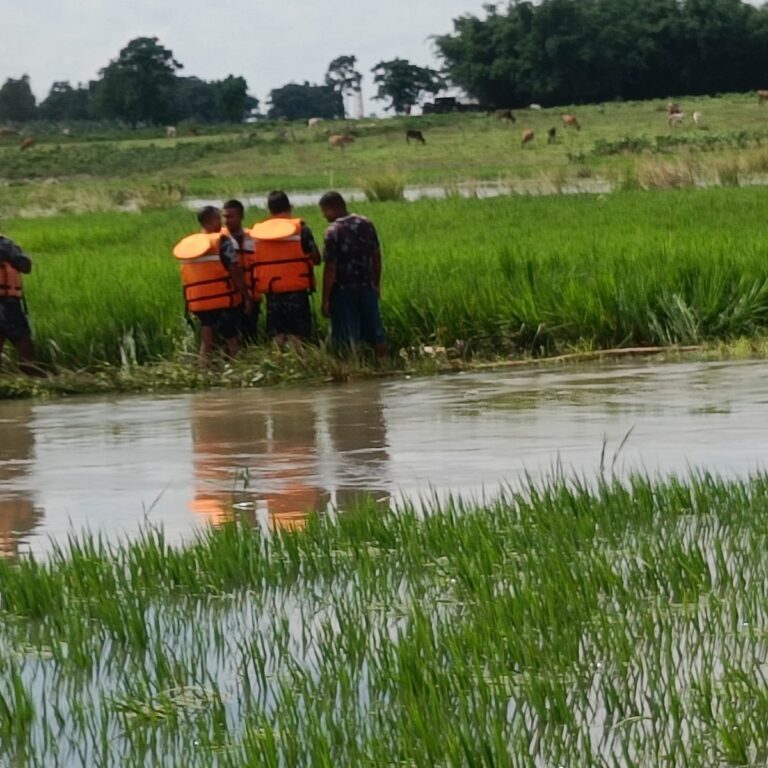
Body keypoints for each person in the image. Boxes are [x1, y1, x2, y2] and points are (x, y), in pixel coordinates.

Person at [172, 206, 252, 364]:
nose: (222, 222)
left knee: (207, 341)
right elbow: (234, 270)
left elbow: (186, 277)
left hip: (199, 302)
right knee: (232, 339)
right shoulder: (221, 241)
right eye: (219, 219)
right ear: (212, 220)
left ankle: (203, 372)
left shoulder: (188, 244)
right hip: (222, 298)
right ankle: (238, 371)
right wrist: (246, 297)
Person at [319, 191, 387, 358]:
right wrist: (376, 284)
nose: (324, 215)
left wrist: (325, 299)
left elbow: (330, 268)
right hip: (367, 286)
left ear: (331, 209)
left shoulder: (332, 231)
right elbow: (376, 256)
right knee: (376, 333)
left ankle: (350, 371)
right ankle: (384, 366)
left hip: (343, 291)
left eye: (324, 211)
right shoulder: (366, 223)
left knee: (344, 337)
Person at [250, 191, 321, 345]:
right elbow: (316, 258)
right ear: (290, 207)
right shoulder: (300, 228)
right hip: (296, 289)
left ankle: (280, 364)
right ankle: (298, 364)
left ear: (269, 209)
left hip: (271, 290)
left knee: (277, 333)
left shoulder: (258, 232)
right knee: (298, 333)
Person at [0, 231, 39, 375]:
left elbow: (26, 266)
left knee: (24, 345)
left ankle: (29, 379)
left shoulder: (7, 244)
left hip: (10, 303)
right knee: (24, 343)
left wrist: (11, 256)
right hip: (6, 305)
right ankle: (32, 377)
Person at [222, 199, 261, 343]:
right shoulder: (219, 240)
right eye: (224, 217)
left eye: (231, 217)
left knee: (251, 335)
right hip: (229, 298)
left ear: (241, 217)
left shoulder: (254, 238)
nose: (226, 221)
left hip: (253, 295)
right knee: (231, 338)